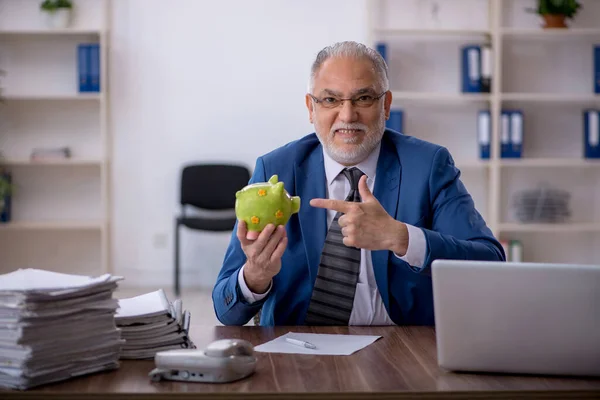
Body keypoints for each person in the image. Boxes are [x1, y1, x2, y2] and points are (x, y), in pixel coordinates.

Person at [212, 41, 505, 326]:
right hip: (300, 348)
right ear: (310, 108)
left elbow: (489, 264)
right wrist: (256, 275)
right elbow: (226, 312)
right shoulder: (276, 170)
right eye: (330, 100)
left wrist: (402, 238)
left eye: (363, 98)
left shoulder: (429, 166)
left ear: (386, 105)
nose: (348, 115)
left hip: (403, 347)